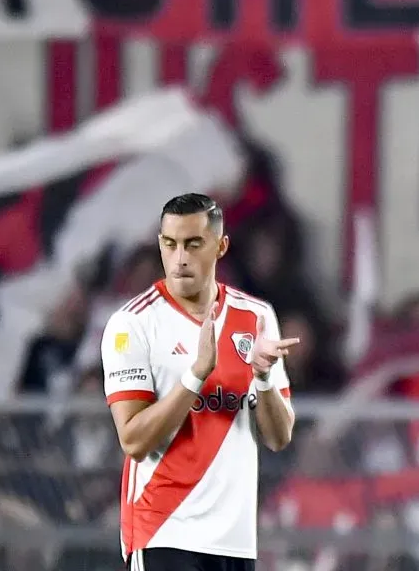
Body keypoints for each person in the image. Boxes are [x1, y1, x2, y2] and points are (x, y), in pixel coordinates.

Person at [100, 193, 298, 571]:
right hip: (164, 529)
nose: (180, 257)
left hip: (234, 539)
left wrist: (263, 378)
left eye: (193, 244)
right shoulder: (132, 324)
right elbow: (134, 440)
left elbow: (278, 436)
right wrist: (195, 375)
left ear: (220, 246)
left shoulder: (255, 317)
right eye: (170, 244)